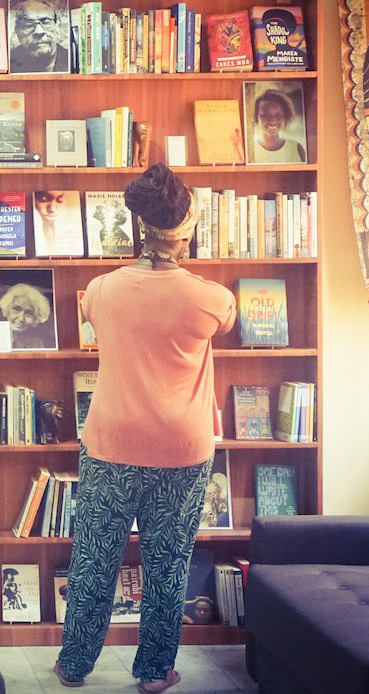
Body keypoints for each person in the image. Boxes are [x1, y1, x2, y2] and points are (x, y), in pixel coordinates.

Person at [54, 163, 235, 692]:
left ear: (139, 226)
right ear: (188, 226)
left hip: (111, 443)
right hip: (182, 450)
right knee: (167, 563)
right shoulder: (210, 298)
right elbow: (225, 319)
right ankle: (155, 671)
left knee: (93, 559)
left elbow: (94, 310)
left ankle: (74, 665)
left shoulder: (100, 290)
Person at [9, 0, 70, 73]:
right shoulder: (9, 63)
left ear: (56, 26)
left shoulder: (71, 60)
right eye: (29, 24)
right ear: (18, 31)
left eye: (46, 22)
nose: (39, 31)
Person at [249, 89, 306, 164]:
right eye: (266, 115)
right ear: (256, 117)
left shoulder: (296, 148)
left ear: (285, 117)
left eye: (278, 116)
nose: (273, 120)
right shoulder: (251, 150)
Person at [0, 281, 55, 349]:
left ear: (36, 318)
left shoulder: (42, 344)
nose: (21, 319)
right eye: (16, 309)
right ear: (7, 309)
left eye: (29, 313)